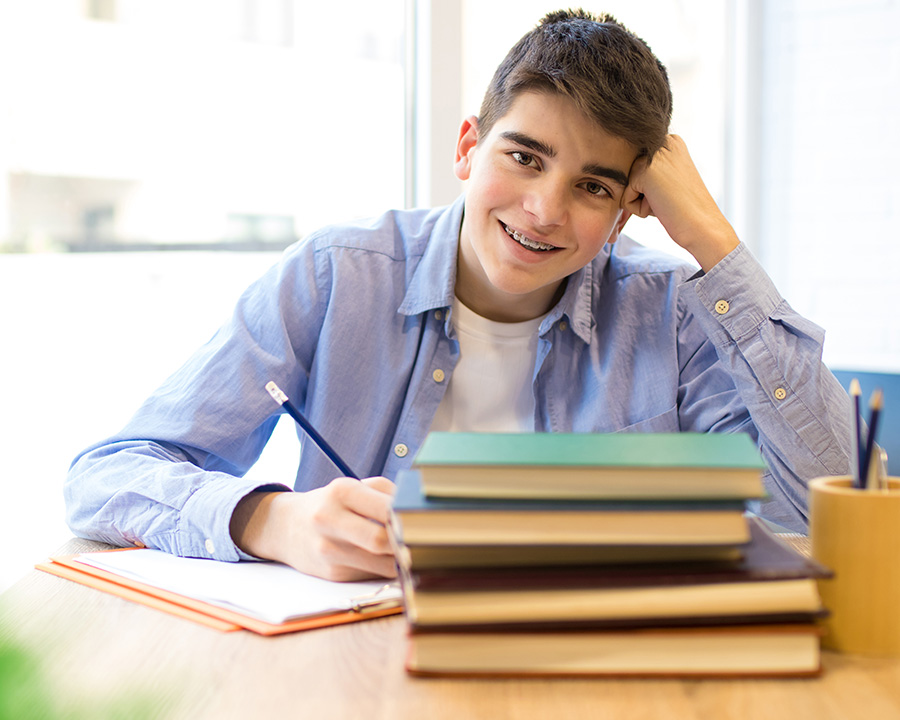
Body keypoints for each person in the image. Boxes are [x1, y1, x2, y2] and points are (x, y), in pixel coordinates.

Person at [65, 9, 852, 582]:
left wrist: (714, 241)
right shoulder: (339, 273)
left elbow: (830, 511)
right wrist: (273, 520)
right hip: (352, 674)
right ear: (469, 147)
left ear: (625, 212)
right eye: (524, 156)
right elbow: (107, 476)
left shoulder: (674, 308)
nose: (544, 210)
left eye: (593, 186)